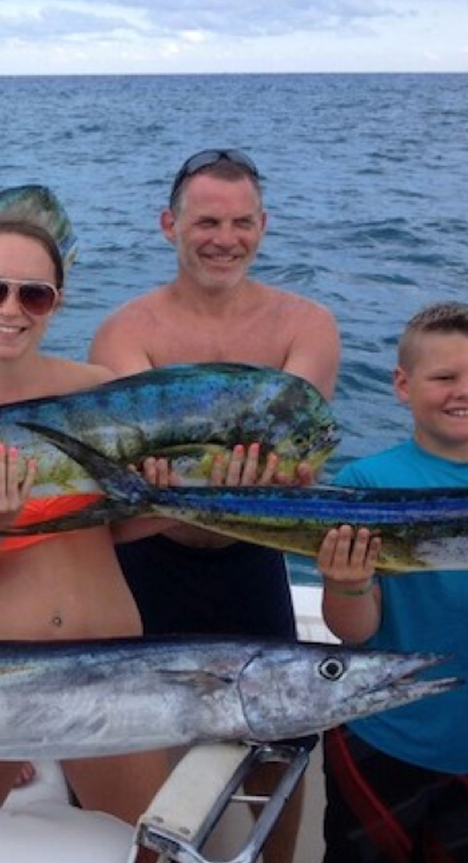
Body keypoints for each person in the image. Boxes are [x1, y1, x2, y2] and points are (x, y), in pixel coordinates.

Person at [88, 149, 341, 863]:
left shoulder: (308, 324)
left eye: (239, 222)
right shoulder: (124, 331)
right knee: (139, 753)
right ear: (169, 224)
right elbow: (135, 480)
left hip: (249, 560)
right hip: (144, 565)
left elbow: (295, 455)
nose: (222, 238)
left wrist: (189, 477)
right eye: (205, 221)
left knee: (280, 746)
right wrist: (226, 475)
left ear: (263, 227)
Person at [0, 212, 168, 828]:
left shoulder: (99, 394)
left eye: (34, 295)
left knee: (147, 849)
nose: (10, 310)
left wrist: (159, 503)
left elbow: (117, 527)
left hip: (111, 666)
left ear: (55, 304)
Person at [316, 301, 468, 863]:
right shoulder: (364, 483)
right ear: (402, 385)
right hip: (381, 736)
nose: (464, 391)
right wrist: (346, 584)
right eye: (444, 377)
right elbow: (355, 631)